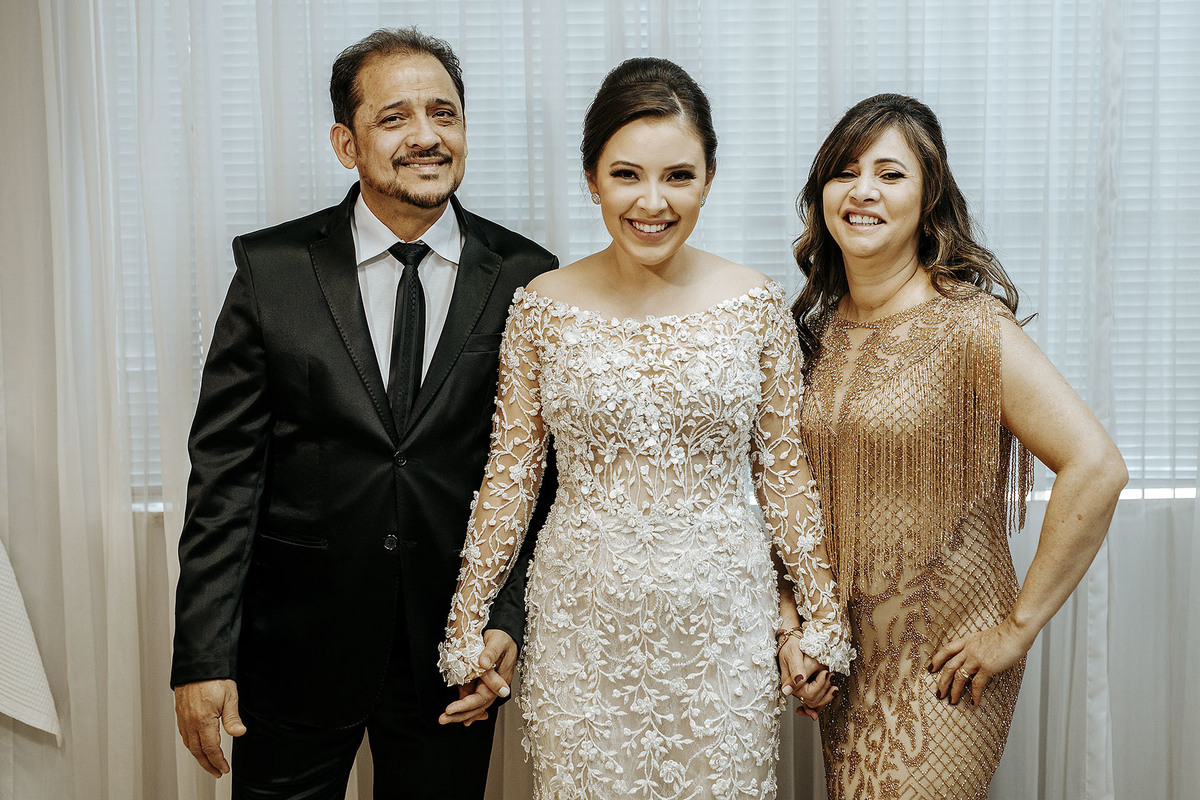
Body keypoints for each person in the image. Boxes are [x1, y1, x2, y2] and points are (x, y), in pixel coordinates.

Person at [436, 57, 853, 799]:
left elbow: (785, 478)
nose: (652, 202)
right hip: (582, 624)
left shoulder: (755, 304)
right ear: (592, 179)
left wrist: (818, 623)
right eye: (627, 175)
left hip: (721, 621)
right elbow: (510, 478)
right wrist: (466, 631)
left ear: (710, 177)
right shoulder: (540, 307)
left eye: (679, 176)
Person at [170, 27, 558, 799]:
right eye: (395, 118)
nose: (426, 136)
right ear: (347, 143)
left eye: (444, 114)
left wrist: (504, 620)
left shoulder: (528, 276)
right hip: (295, 647)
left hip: (453, 649)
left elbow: (535, 481)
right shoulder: (271, 269)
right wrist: (204, 656)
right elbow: (226, 477)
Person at [791, 93, 1128, 799]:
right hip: (847, 664)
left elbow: (1096, 467)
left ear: (928, 196)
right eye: (845, 171)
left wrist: (1016, 629)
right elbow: (786, 498)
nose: (863, 191)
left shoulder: (970, 328)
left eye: (890, 174)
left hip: (946, 664)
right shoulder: (811, 334)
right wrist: (798, 629)